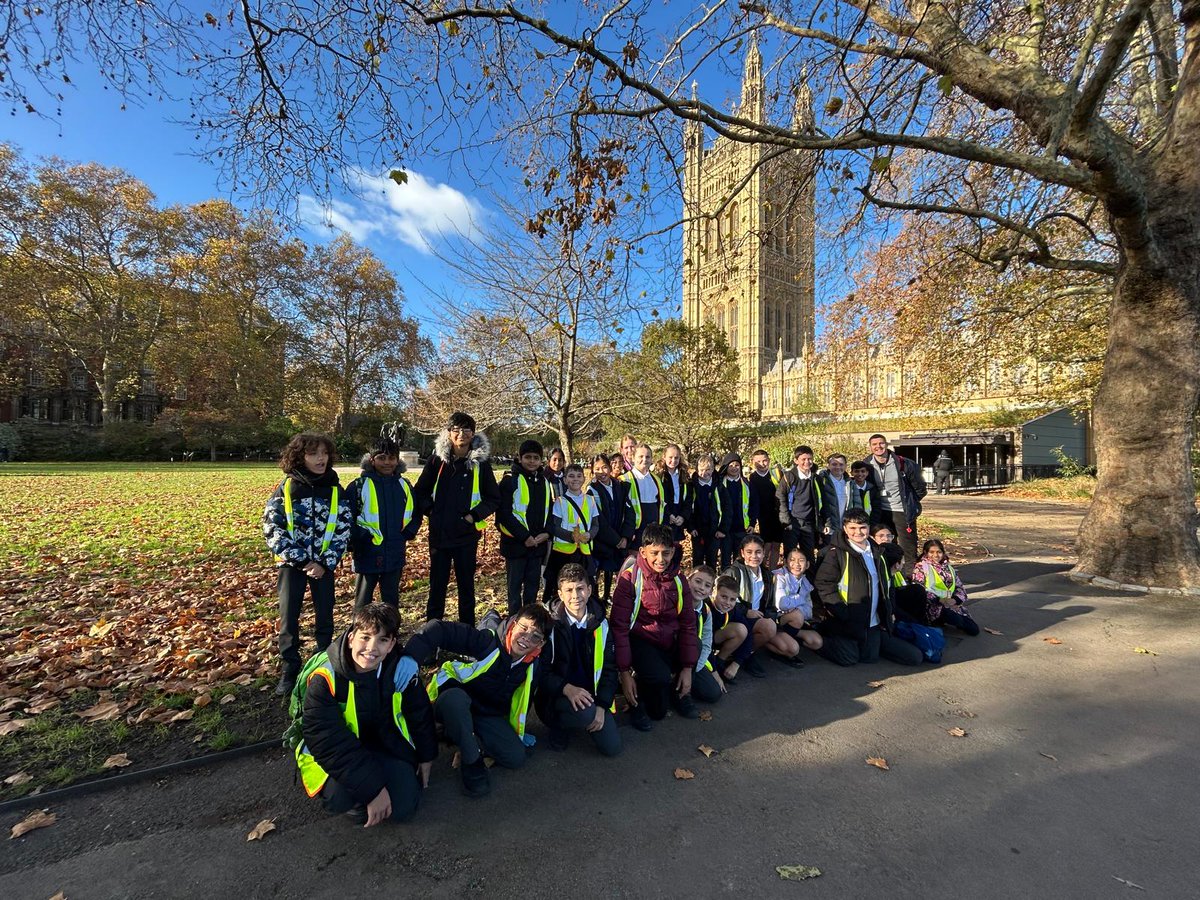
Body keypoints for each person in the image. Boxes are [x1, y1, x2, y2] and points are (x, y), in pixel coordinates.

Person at [295, 603, 437, 826]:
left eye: (382, 640)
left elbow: (419, 713)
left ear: (391, 645)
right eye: (365, 637)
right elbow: (326, 740)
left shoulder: (401, 670)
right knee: (340, 798)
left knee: (405, 808)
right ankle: (362, 800)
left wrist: (426, 757)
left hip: (385, 746)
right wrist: (373, 791)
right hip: (340, 751)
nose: (371, 648)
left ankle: (377, 791)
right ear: (351, 638)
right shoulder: (325, 678)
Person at [400, 603, 554, 798]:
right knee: (455, 701)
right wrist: (411, 657)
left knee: (515, 756)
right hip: (450, 701)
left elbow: (520, 701)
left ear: (540, 645)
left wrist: (514, 733)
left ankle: (469, 742)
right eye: (523, 628)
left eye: (535, 636)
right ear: (513, 624)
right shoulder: (486, 642)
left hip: (484, 712)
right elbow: (439, 629)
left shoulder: (533, 664)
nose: (525, 638)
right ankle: (472, 762)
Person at [263, 432, 353, 695]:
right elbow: (272, 528)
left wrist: (324, 562)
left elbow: (343, 528)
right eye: (313, 454)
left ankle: (322, 665)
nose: (320, 459)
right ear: (300, 456)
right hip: (293, 566)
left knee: (325, 616)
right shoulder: (287, 487)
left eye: (324, 453)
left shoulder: (335, 488)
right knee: (289, 619)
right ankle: (290, 669)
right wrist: (304, 561)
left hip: (324, 566)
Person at [412, 412, 501, 627]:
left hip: (466, 536)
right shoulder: (436, 461)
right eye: (456, 430)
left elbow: (493, 498)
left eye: (466, 430)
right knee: (437, 587)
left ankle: (467, 632)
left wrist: (473, 516)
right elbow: (420, 492)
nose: (461, 434)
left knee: (466, 587)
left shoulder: (481, 464)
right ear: (449, 433)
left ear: (473, 433)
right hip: (440, 536)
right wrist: (432, 512)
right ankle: (433, 633)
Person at [610, 523, 699, 731]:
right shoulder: (630, 579)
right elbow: (619, 628)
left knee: (695, 645)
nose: (661, 559)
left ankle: (677, 691)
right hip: (642, 640)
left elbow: (688, 623)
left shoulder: (679, 580)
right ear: (643, 552)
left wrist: (687, 667)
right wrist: (623, 672)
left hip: (668, 640)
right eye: (655, 553)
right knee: (657, 711)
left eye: (666, 553)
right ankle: (636, 698)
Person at [812, 509, 923, 667]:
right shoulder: (835, 554)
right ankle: (820, 637)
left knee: (897, 657)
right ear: (845, 529)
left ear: (869, 528)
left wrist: (888, 612)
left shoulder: (879, 551)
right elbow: (823, 584)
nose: (858, 532)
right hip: (848, 621)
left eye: (862, 527)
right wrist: (843, 612)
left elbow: (887, 584)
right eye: (852, 528)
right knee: (849, 659)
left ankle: (870, 643)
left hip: (872, 621)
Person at [538, 564, 622, 755]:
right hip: (557, 695)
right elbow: (541, 672)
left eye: (580, 588)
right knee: (585, 713)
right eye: (569, 590)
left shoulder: (601, 623)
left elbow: (609, 668)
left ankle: (588, 714)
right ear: (560, 594)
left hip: (591, 696)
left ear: (589, 590)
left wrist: (602, 705)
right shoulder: (549, 624)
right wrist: (567, 688)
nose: (575, 595)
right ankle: (560, 725)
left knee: (612, 748)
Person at [348, 436, 421, 610]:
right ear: (372, 460)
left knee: (391, 599)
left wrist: (409, 531)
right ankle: (359, 632)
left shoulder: (404, 485)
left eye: (391, 458)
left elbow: (416, 511)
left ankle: (390, 633)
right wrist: (361, 537)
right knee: (363, 600)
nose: (387, 463)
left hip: (395, 549)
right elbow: (347, 518)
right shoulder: (359, 485)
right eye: (381, 458)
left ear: (397, 460)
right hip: (367, 551)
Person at [724, 534, 802, 671]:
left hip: (758, 621)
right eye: (749, 552)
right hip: (738, 619)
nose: (754, 556)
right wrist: (747, 612)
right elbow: (726, 603)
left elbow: (770, 606)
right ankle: (741, 657)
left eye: (758, 552)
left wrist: (770, 619)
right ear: (742, 553)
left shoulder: (768, 575)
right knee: (768, 627)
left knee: (792, 649)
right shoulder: (733, 572)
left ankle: (750, 649)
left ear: (763, 553)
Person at [495, 440, 553, 614]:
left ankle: (529, 619)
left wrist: (547, 533)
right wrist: (524, 537)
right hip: (516, 545)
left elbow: (549, 511)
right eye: (528, 457)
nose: (532, 461)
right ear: (519, 458)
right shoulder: (509, 481)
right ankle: (513, 622)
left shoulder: (544, 481)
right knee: (514, 590)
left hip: (537, 546)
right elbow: (503, 515)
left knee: (532, 588)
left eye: (536, 458)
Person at [861, 434, 927, 568]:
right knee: (885, 545)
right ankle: (889, 575)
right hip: (880, 512)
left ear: (886, 444)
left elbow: (920, 488)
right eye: (874, 444)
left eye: (881, 443)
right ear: (870, 447)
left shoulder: (904, 463)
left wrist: (910, 502)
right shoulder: (867, 464)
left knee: (908, 547)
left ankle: (909, 578)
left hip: (901, 511)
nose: (878, 447)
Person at [543, 463, 600, 605]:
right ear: (565, 480)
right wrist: (570, 536)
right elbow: (554, 526)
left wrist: (590, 535)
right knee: (557, 583)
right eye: (571, 476)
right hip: (563, 552)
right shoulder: (560, 502)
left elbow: (595, 524)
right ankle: (553, 608)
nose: (575, 479)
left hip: (584, 552)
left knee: (587, 583)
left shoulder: (590, 500)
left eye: (579, 476)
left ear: (584, 479)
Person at [911, 539, 980, 635]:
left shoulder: (948, 567)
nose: (936, 555)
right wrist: (940, 600)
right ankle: (937, 621)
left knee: (974, 630)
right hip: (932, 606)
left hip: (950, 604)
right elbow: (918, 589)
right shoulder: (921, 567)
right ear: (926, 553)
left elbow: (960, 587)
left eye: (939, 552)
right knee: (955, 620)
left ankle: (944, 620)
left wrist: (955, 600)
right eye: (932, 552)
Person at [587, 453, 629, 606]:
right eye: (597, 469)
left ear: (610, 468)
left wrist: (625, 536)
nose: (601, 472)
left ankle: (607, 595)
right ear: (592, 471)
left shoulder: (619, 485)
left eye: (604, 467)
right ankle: (596, 598)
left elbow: (628, 510)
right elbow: (599, 520)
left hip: (619, 534)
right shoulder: (592, 490)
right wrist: (616, 540)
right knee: (598, 568)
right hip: (601, 538)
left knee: (611, 569)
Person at [773, 546, 824, 660]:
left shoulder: (805, 582)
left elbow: (809, 612)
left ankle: (790, 637)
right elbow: (782, 604)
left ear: (807, 565)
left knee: (817, 642)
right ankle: (779, 642)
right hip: (776, 622)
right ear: (785, 562)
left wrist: (794, 606)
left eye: (801, 560)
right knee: (797, 616)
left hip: (793, 622)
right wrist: (800, 599)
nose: (796, 564)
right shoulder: (780, 576)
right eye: (792, 560)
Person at [686, 565, 726, 704]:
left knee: (713, 693)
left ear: (710, 591)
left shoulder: (706, 611)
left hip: (692, 662)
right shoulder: (676, 603)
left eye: (707, 585)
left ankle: (687, 684)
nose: (702, 588)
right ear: (688, 581)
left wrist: (694, 670)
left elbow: (707, 644)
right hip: (672, 658)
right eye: (698, 581)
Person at [776, 445, 822, 563]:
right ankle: (789, 580)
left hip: (808, 522)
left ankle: (809, 580)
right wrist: (786, 520)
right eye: (803, 459)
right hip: (793, 522)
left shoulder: (815, 478)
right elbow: (780, 497)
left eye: (809, 459)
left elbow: (820, 500)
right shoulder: (789, 477)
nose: (807, 462)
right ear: (796, 461)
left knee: (809, 556)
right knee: (790, 555)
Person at [707, 574, 751, 682]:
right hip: (703, 644)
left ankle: (720, 662)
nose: (727, 603)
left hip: (715, 640)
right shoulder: (705, 608)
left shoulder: (733, 610)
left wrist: (737, 663)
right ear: (713, 592)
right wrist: (713, 671)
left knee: (742, 629)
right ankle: (712, 667)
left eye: (732, 599)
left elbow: (749, 633)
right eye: (723, 597)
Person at [748, 449, 785, 569]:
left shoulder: (776, 474)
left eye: (764, 461)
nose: (762, 464)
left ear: (768, 461)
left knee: (776, 545)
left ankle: (772, 570)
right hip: (763, 516)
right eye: (758, 461)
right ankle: (763, 569)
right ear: (753, 462)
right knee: (766, 545)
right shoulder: (752, 478)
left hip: (778, 514)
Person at [623, 443, 664, 550]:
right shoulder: (625, 480)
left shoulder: (656, 480)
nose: (644, 459)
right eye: (641, 456)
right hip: (635, 530)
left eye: (647, 457)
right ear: (633, 458)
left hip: (653, 530)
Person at [689, 453, 726, 569]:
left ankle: (710, 583)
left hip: (714, 530)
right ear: (697, 470)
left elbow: (727, 509)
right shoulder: (692, 486)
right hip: (697, 531)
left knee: (712, 560)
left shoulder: (719, 486)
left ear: (713, 469)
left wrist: (722, 529)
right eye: (701, 470)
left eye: (708, 470)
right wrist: (691, 527)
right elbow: (688, 508)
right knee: (697, 560)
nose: (704, 473)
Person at [718, 452, 754, 570]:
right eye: (731, 465)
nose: (734, 468)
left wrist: (752, 523)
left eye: (737, 465)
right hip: (724, 529)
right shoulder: (719, 484)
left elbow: (754, 504)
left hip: (741, 528)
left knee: (740, 560)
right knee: (725, 560)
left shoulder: (746, 484)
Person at [655, 443, 693, 546]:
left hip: (679, 514)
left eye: (676, 457)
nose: (673, 460)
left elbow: (689, 498)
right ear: (664, 457)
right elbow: (658, 498)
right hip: (665, 515)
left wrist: (683, 516)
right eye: (670, 457)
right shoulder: (659, 475)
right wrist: (668, 515)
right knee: (665, 546)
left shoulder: (684, 475)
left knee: (676, 548)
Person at [816, 453, 853, 543]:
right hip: (828, 527)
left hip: (845, 528)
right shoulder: (821, 481)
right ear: (828, 466)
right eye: (834, 464)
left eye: (841, 464)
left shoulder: (850, 483)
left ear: (845, 466)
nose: (838, 467)